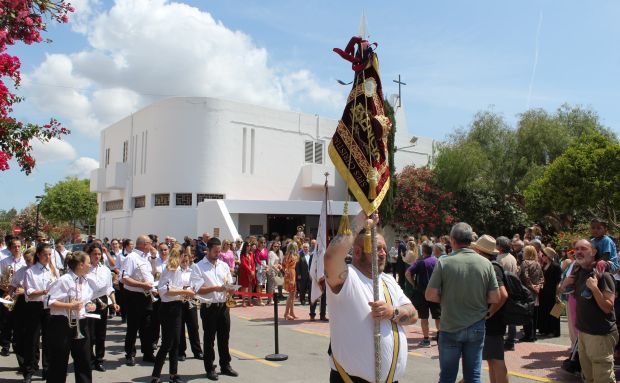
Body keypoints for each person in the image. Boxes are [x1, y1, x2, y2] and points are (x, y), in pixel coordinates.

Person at [324, 212, 417, 382]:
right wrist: (360, 221)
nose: (383, 253)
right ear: (357, 252)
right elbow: (331, 257)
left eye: (384, 248)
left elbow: (413, 314)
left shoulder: (388, 280)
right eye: (376, 248)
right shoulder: (348, 278)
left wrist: (393, 312)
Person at [426, 223, 500, 383]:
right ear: (470, 240)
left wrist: (447, 297)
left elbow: (430, 295)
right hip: (476, 325)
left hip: (450, 325)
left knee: (447, 376)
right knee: (473, 376)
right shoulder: (486, 263)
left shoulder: (444, 262)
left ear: (452, 240)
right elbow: (495, 297)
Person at [568, 239, 617, 383]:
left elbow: (608, 307)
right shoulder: (579, 274)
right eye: (576, 249)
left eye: (583, 248)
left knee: (603, 379)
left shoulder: (604, 275)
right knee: (588, 378)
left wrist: (595, 289)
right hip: (583, 333)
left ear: (594, 252)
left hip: (600, 335)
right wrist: (564, 285)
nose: (578, 252)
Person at [191, 237, 239, 381]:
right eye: (215, 251)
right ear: (208, 250)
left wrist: (231, 289)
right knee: (209, 338)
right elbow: (198, 289)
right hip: (209, 306)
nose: (218, 254)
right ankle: (210, 367)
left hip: (223, 305)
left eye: (219, 251)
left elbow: (229, 283)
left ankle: (225, 364)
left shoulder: (223, 266)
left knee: (224, 337)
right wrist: (217, 288)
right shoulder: (198, 266)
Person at [46, 251, 96, 383]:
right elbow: (48, 302)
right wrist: (69, 305)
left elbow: (86, 299)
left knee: (84, 360)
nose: (90, 265)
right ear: (80, 265)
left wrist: (90, 304)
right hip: (62, 324)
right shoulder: (64, 280)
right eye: (88, 263)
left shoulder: (85, 280)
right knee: (59, 361)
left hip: (81, 322)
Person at [149, 247, 195, 383]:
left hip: (176, 307)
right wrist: (184, 292)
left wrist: (184, 293)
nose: (185, 258)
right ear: (179, 255)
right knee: (167, 344)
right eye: (184, 255)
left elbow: (175, 289)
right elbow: (165, 290)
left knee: (176, 342)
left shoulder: (178, 270)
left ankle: (173, 374)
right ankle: (156, 375)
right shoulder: (171, 269)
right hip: (169, 308)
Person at [470, 235, 509, 383]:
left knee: (496, 359)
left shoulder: (492, 267)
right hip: (492, 320)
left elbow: (503, 294)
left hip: (493, 321)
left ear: (480, 251)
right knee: (492, 359)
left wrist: (490, 312)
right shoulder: (491, 265)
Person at [21, 244, 58, 383]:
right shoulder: (30, 272)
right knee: (32, 339)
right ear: (38, 255)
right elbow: (29, 293)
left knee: (49, 340)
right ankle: (29, 371)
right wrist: (44, 291)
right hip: (34, 306)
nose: (48, 257)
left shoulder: (52, 270)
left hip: (49, 307)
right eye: (45, 254)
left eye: (49, 255)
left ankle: (47, 370)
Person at [121, 235, 156, 366]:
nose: (152, 245)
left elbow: (150, 274)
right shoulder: (131, 258)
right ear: (143, 244)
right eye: (150, 243)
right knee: (133, 327)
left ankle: (147, 353)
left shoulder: (145, 257)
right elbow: (125, 278)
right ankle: (129, 353)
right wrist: (142, 285)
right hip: (134, 297)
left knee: (147, 327)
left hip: (146, 296)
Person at [84, 243, 119, 372]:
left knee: (101, 334)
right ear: (90, 255)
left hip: (103, 302)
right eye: (95, 254)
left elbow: (109, 288)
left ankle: (99, 360)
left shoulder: (105, 269)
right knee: (90, 334)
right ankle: (90, 358)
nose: (97, 256)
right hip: (90, 302)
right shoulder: (85, 269)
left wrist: (114, 302)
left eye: (99, 254)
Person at [405, 241, 440, 347]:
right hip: (435, 292)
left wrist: (414, 284)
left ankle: (426, 340)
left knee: (424, 317)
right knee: (438, 316)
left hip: (422, 293)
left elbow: (407, 273)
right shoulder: (437, 261)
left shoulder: (420, 262)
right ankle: (440, 337)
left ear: (423, 250)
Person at [0, 238, 27, 357]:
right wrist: (4, 287)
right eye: (14, 247)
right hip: (7, 292)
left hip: (20, 293)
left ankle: (16, 345)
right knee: (6, 321)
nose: (17, 249)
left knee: (18, 321)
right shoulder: (4, 261)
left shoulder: (26, 262)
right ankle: (5, 346)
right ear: (10, 249)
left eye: (18, 246)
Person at [178, 250, 203, 361]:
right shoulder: (176, 271)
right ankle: (181, 351)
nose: (185, 262)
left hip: (191, 301)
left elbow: (198, 283)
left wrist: (193, 291)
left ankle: (197, 351)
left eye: (186, 260)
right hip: (179, 301)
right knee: (180, 328)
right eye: (183, 260)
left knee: (194, 327)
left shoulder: (193, 271)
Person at [519, 245, 544, 342]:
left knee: (527, 313)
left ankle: (528, 335)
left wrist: (532, 287)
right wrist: (539, 286)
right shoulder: (537, 264)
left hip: (527, 291)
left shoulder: (524, 263)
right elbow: (542, 277)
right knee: (535, 314)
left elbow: (525, 277)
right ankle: (533, 335)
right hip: (536, 292)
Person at [537, 247, 562, 338]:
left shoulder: (555, 266)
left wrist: (557, 294)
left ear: (548, 256)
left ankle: (554, 331)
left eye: (543, 255)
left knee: (554, 312)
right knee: (545, 310)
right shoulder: (544, 265)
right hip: (544, 292)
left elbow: (558, 282)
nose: (542, 256)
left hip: (552, 292)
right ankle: (545, 329)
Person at [282, 242, 298, 320]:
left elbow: (283, 265)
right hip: (291, 274)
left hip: (287, 273)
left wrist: (285, 271)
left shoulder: (286, 255)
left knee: (292, 294)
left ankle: (291, 312)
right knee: (291, 294)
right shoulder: (293, 256)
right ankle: (286, 313)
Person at [237, 243, 256, 307]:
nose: (249, 247)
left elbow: (253, 263)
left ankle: (249, 301)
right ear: (245, 246)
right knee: (244, 287)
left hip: (251, 273)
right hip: (245, 273)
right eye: (247, 245)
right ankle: (243, 301)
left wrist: (253, 271)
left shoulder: (251, 254)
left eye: (249, 245)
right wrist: (250, 271)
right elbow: (244, 264)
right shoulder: (242, 255)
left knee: (250, 287)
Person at [266, 241, 282, 306]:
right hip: (271, 271)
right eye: (275, 246)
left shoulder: (275, 253)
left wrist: (279, 265)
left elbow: (275, 263)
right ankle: (270, 300)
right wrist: (277, 269)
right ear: (272, 246)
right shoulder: (271, 253)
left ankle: (270, 299)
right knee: (271, 286)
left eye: (277, 246)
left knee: (273, 286)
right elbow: (271, 264)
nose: (276, 247)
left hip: (274, 271)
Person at [254, 237, 268, 306]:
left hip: (264, 267)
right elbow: (257, 259)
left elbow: (267, 259)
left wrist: (267, 266)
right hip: (259, 267)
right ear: (259, 243)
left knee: (262, 284)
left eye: (264, 242)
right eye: (261, 242)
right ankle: (259, 300)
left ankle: (260, 299)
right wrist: (263, 265)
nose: (263, 244)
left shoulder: (265, 250)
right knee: (259, 284)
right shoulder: (257, 250)